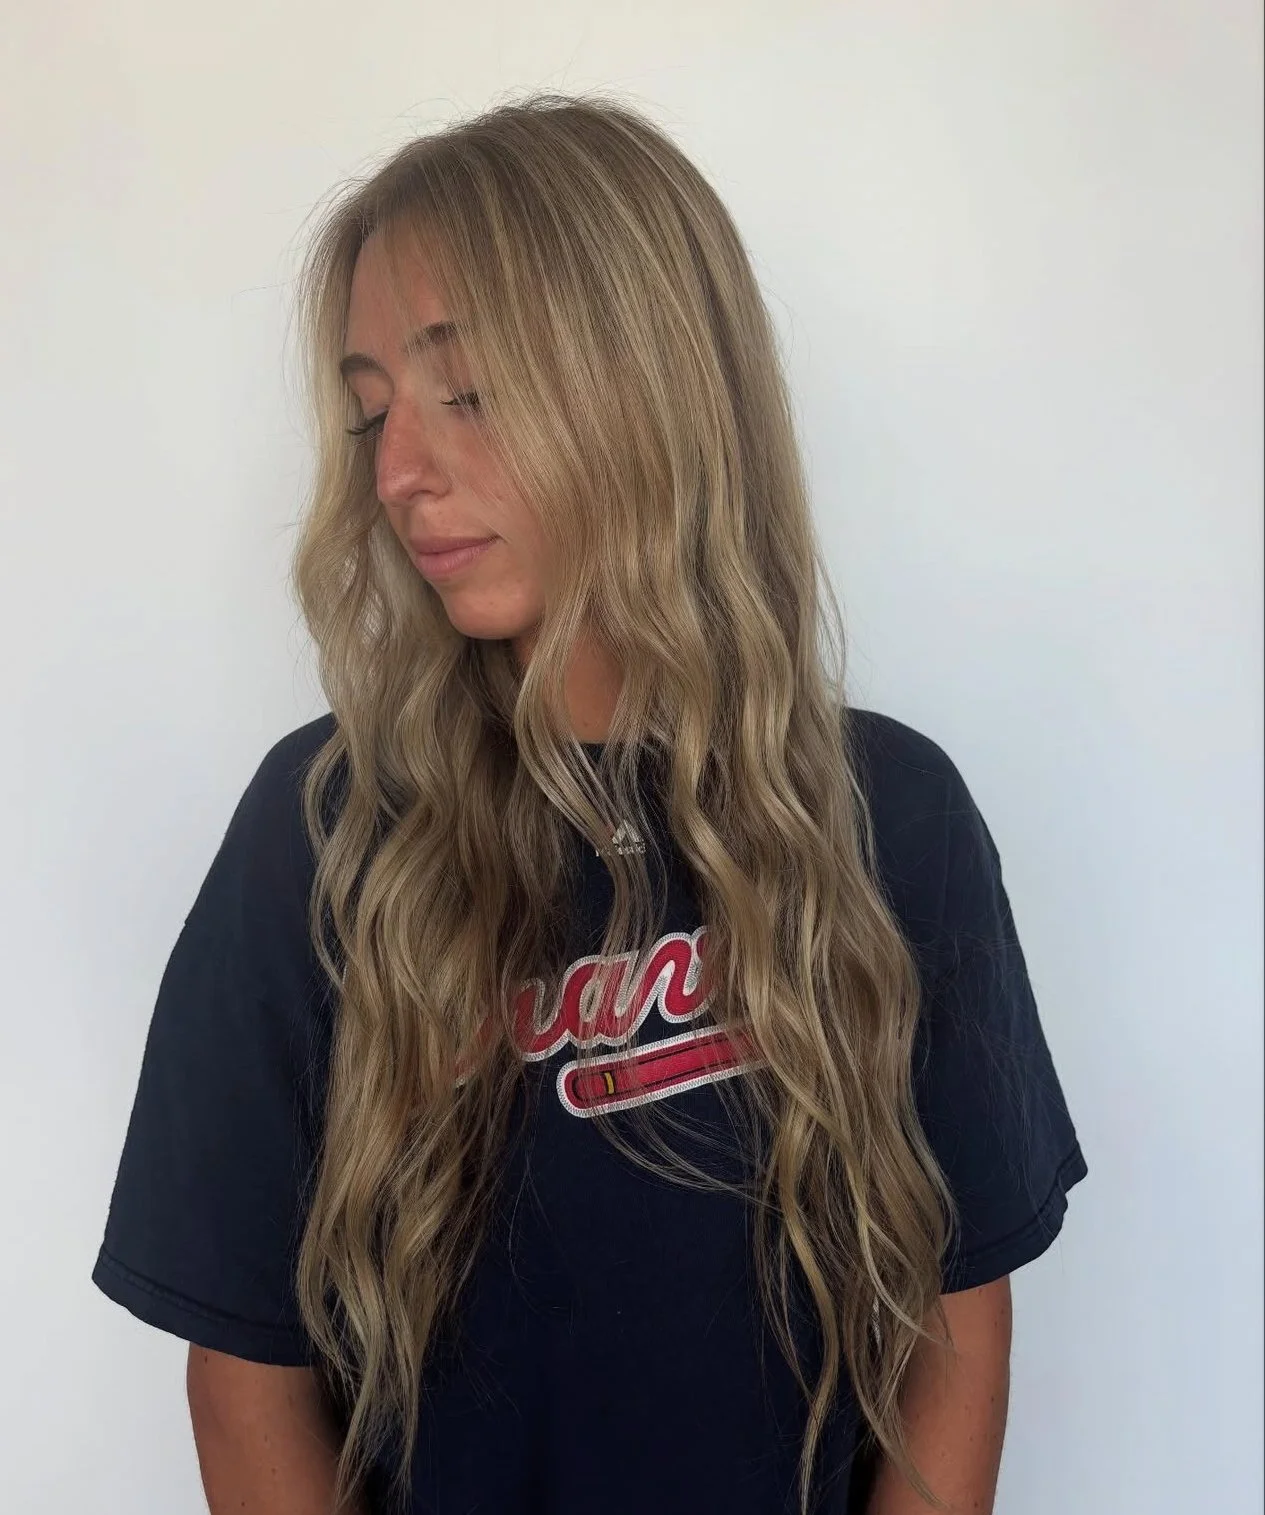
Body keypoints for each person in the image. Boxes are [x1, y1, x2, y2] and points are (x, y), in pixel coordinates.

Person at [91, 91, 1087, 1515]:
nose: (396, 472)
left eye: (467, 394)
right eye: (372, 411)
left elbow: (958, 1314)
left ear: (647, 383)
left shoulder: (890, 817)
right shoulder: (321, 833)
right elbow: (244, 1373)